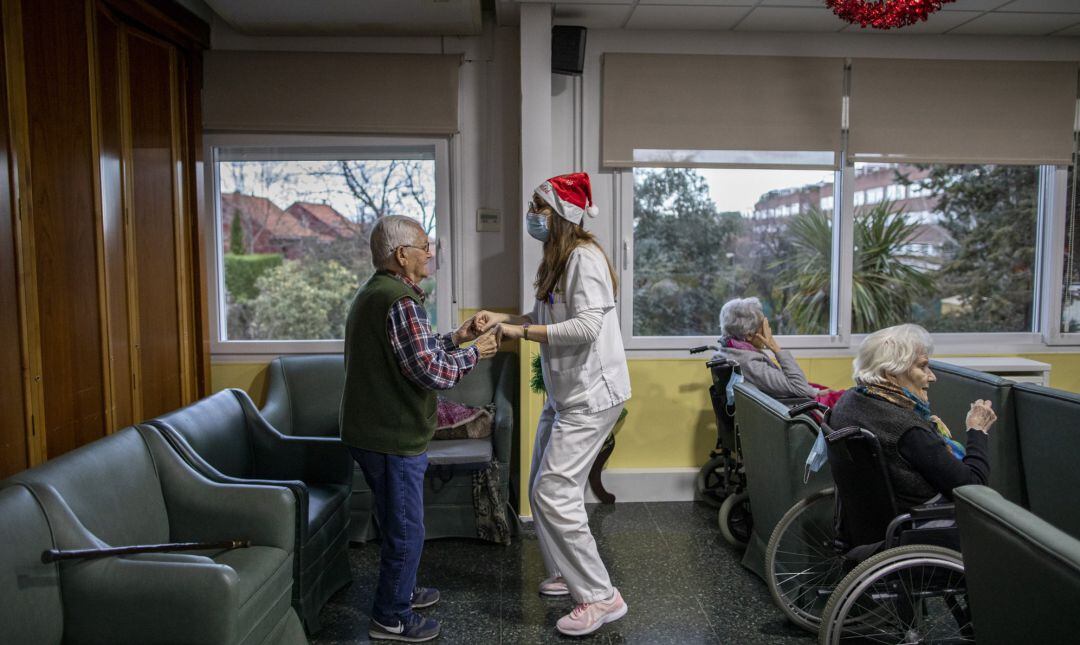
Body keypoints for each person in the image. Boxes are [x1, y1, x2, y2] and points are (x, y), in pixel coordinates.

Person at [473, 172, 631, 637]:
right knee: (539, 486)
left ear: (561, 214)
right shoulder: (557, 260)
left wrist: (521, 333)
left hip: (590, 394)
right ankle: (568, 572)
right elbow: (540, 319)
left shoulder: (585, 259)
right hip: (565, 393)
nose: (532, 215)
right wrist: (503, 321)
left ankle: (601, 597)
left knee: (554, 492)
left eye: (539, 208)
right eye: (532, 206)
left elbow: (585, 328)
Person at [339, 215, 500, 643]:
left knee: (397, 521)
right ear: (401, 254)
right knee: (406, 528)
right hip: (389, 437)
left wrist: (457, 337)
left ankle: (403, 590)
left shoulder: (379, 293)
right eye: (424, 246)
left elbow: (413, 352)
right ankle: (391, 617)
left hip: (371, 433)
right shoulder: (400, 302)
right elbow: (429, 372)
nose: (430, 254)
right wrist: (476, 353)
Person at [828, 323, 997, 514]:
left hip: (865, 520)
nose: (932, 377)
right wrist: (977, 431)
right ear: (891, 374)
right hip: (921, 523)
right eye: (922, 366)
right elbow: (972, 488)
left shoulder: (849, 401)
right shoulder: (906, 428)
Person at [717, 297, 841, 405]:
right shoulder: (748, 363)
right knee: (845, 398)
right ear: (749, 335)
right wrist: (774, 347)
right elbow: (799, 387)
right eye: (764, 326)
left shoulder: (729, 351)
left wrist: (815, 391)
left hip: (785, 401)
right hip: (790, 410)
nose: (769, 331)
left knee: (835, 394)